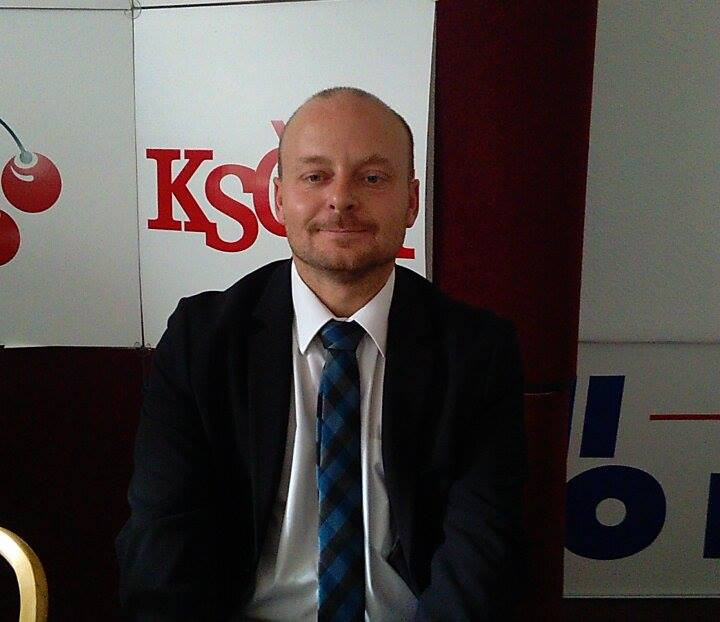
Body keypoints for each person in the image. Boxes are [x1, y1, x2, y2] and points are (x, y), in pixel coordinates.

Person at [116, 87, 526, 621]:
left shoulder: (477, 352)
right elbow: (162, 537)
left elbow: (483, 555)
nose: (341, 199)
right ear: (278, 198)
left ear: (411, 201)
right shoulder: (203, 341)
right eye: (315, 176)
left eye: (372, 178)